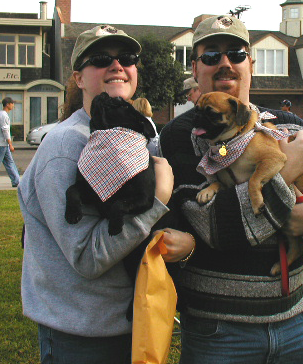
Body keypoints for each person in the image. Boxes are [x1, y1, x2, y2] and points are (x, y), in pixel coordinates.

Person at [159, 15, 303, 364]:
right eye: (211, 55)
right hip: (219, 331)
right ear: (194, 67)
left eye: (236, 53)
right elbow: (216, 228)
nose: (225, 63)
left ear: (250, 65)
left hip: (299, 321)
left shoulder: (287, 124)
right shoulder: (184, 135)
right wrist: (289, 172)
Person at [18, 24, 194, 364]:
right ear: (79, 78)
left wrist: (184, 244)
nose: (117, 66)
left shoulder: (133, 136)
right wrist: (154, 201)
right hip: (82, 337)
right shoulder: (66, 147)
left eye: (126, 58)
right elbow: (87, 257)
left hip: (132, 324)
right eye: (100, 59)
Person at [0, 97, 20, 188]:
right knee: (8, 162)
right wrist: (10, 144)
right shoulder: (4, 115)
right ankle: (16, 180)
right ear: (7, 104)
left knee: (9, 162)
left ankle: (16, 181)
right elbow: (5, 130)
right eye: (12, 103)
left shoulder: (2, 114)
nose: (13, 105)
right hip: (2, 144)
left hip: (4, 144)